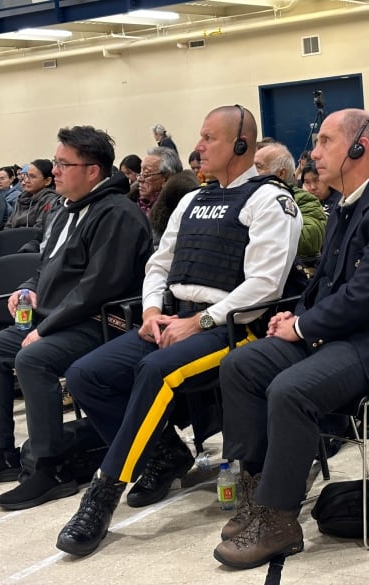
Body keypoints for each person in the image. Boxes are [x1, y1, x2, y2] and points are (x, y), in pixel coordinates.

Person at [212, 109, 369, 569]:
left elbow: (366, 296)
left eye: (324, 142)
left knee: (291, 390)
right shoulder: (346, 203)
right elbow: (327, 284)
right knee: (240, 366)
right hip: (348, 335)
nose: (314, 153)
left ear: (360, 147)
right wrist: (297, 313)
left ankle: (280, 520)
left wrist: (302, 328)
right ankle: (258, 494)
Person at [54, 105, 301, 557]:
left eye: (209, 138)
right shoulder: (191, 199)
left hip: (233, 329)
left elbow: (264, 286)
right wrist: (151, 310)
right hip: (175, 319)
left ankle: (103, 494)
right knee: (87, 374)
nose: (197, 146)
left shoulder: (271, 200)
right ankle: (164, 454)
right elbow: (160, 264)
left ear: (241, 145)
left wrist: (200, 321)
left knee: (155, 370)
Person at [0, 126, 154, 512]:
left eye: (63, 164)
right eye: (55, 162)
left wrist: (45, 328)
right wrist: (27, 287)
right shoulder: (64, 209)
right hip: (58, 319)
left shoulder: (118, 214)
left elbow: (98, 287)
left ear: (92, 171)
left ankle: (51, 467)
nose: (54, 171)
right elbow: (45, 267)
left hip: (101, 323)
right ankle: (1, 454)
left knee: (33, 358)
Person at [254, 142, 326, 260]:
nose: (252, 172)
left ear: (281, 174)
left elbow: (310, 241)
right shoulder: (247, 197)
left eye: (258, 167)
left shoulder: (304, 200)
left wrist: (261, 225)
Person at [5, 159, 58, 230]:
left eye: (32, 177)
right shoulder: (21, 198)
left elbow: (39, 230)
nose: (26, 180)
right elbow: (9, 225)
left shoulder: (50, 200)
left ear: (47, 181)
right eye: (26, 176)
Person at [137, 147, 182, 216]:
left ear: (166, 179)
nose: (139, 179)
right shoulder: (130, 205)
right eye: (140, 173)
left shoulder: (180, 209)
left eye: (146, 174)